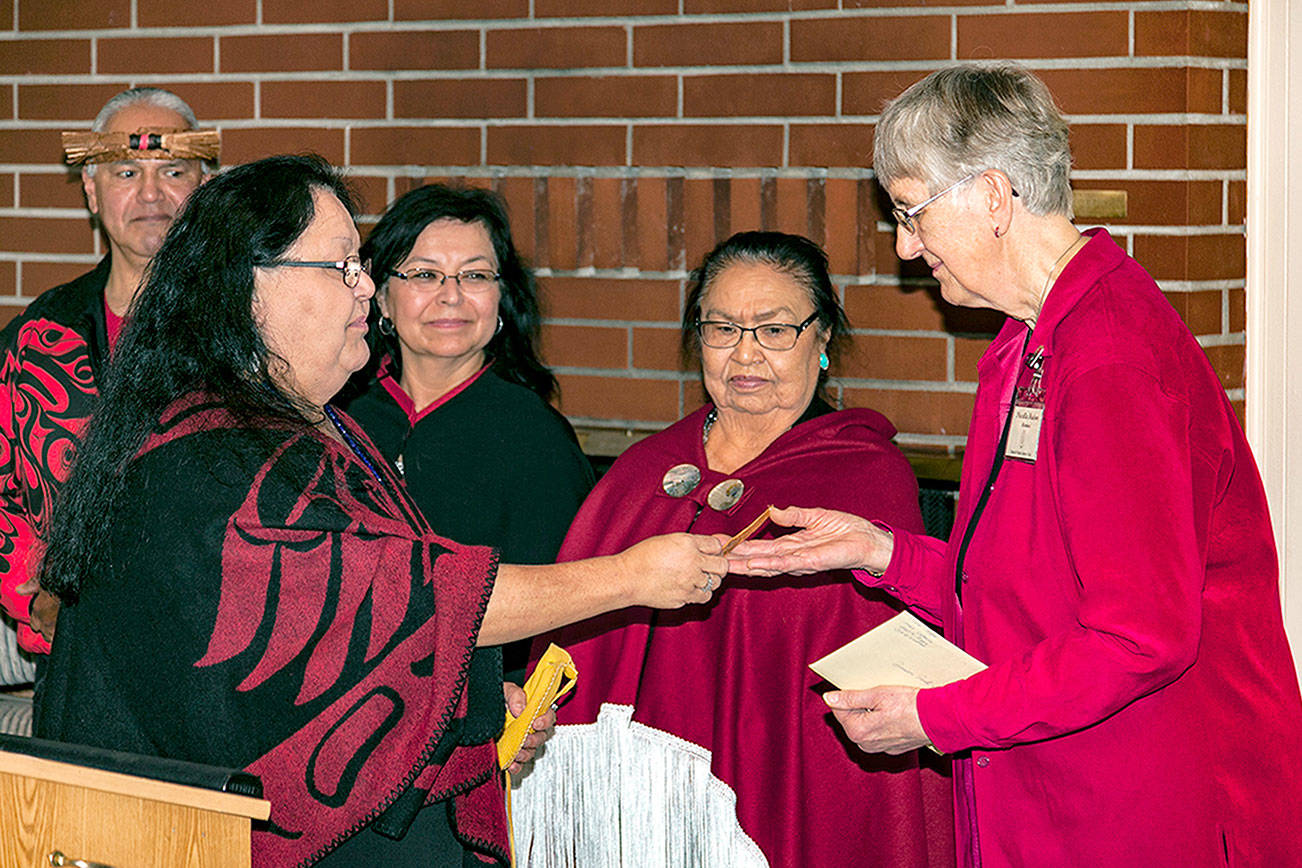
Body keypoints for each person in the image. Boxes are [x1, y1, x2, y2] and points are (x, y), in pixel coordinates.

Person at [33, 154, 729, 867]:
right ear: (248, 287)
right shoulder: (209, 456)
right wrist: (631, 577)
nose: (366, 285)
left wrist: (474, 702)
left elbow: (341, 652)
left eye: (360, 265)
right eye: (341, 267)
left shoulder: (311, 424)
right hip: (197, 838)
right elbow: (398, 597)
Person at [727, 64, 1302, 867]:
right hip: (1051, 796)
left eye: (911, 212)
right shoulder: (1025, 341)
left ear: (994, 197)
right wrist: (881, 551)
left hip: (1139, 810)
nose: (906, 246)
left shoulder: (1108, 358)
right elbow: (1026, 593)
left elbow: (1138, 639)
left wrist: (936, 716)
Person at [513, 232, 954, 868]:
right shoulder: (642, 472)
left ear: (822, 337)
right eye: (722, 329)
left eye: (774, 330)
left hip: (791, 791)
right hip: (634, 806)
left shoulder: (863, 475)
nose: (745, 354)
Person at [340, 184, 592, 684]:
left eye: (474, 275)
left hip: (484, 700)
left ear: (502, 298)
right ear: (381, 296)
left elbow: (558, 610)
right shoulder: (339, 422)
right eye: (424, 274)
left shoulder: (537, 439)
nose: (451, 296)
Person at [0, 86, 217, 654]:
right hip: (75, 658)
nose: (151, 193)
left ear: (205, 186)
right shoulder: (39, 337)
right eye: (125, 173)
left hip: (212, 659)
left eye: (173, 171)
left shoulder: (249, 331)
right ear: (91, 191)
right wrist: (33, 598)